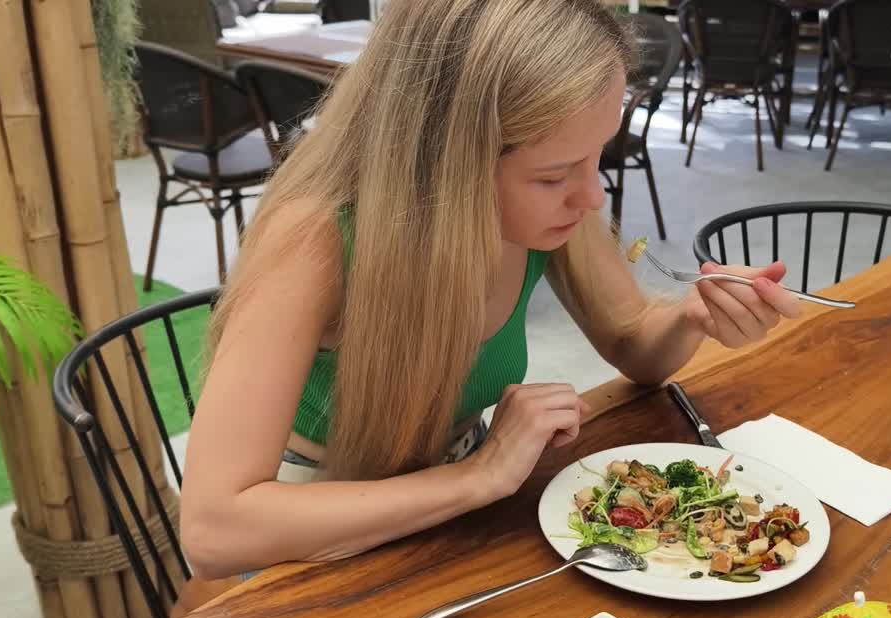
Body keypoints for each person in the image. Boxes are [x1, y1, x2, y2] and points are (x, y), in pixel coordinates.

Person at [179, 0, 802, 582]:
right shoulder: (315, 234)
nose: (591, 199)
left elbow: (634, 343)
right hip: (310, 532)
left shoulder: (557, 211)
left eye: (598, 157)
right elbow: (214, 529)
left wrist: (690, 316)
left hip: (457, 518)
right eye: (554, 173)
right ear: (441, 163)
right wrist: (480, 475)